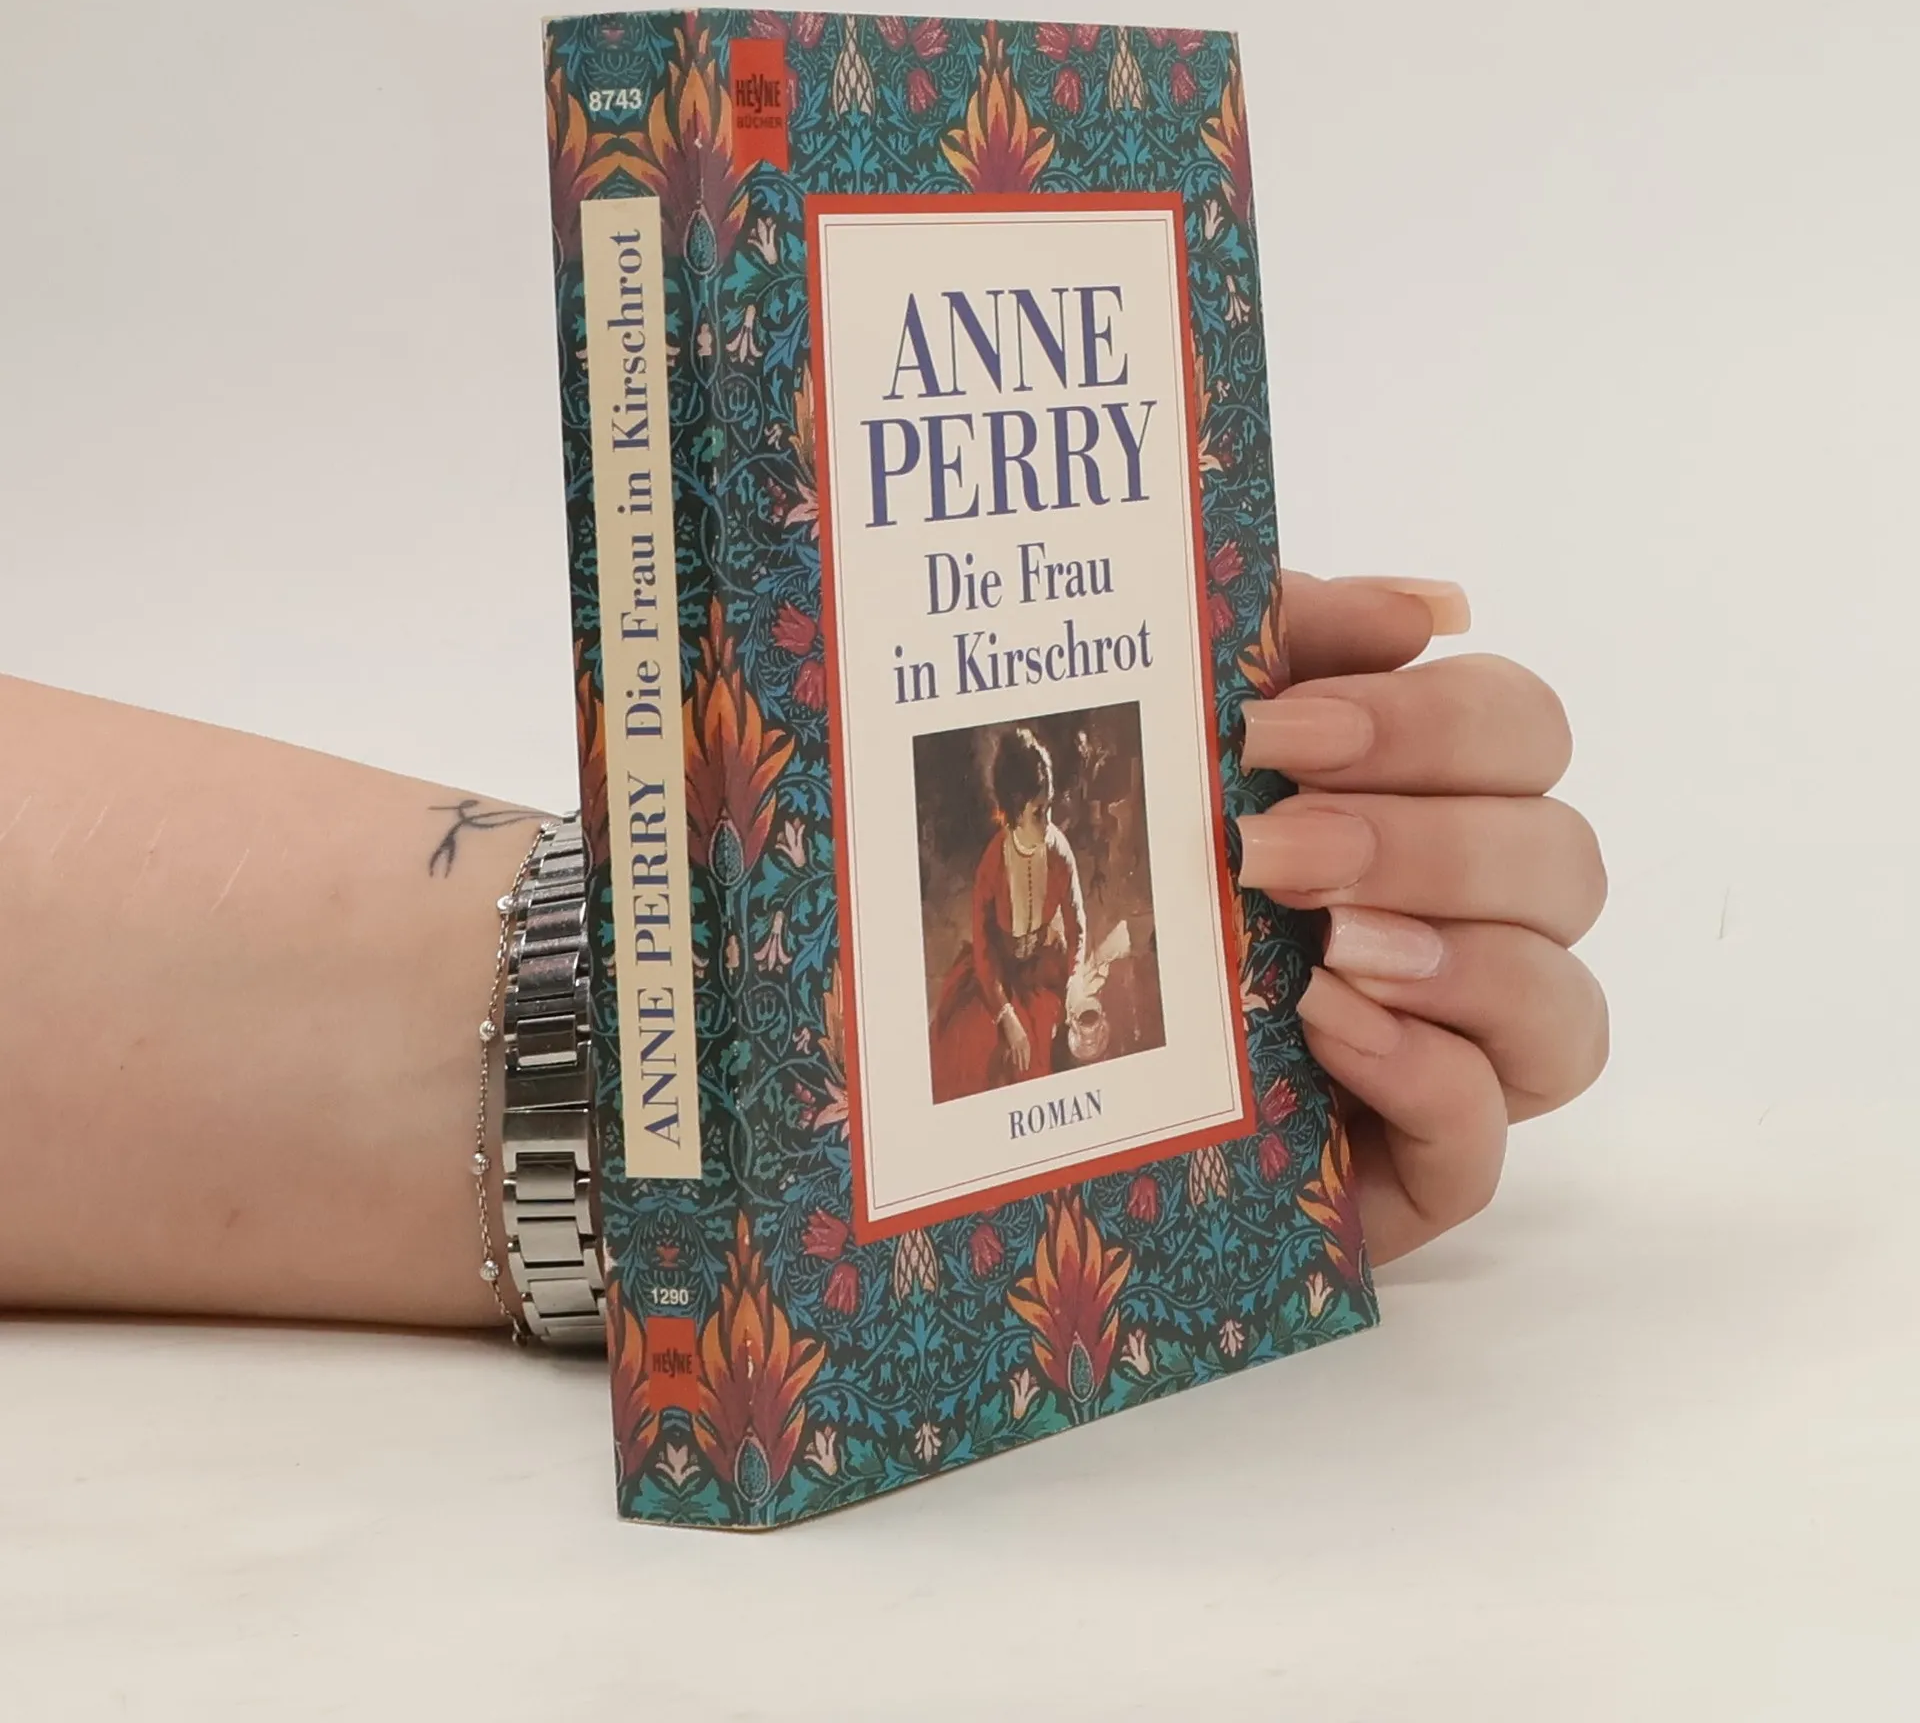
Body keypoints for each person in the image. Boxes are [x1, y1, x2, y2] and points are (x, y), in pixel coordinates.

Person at [0, 572, 1607, 1329]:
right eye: (1029, 803)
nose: (1039, 818)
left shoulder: (1056, 863)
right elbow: (984, 961)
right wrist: (703, 1102)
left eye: (1048, 803)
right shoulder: (995, 883)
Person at [927, 725, 1086, 1102]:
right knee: (970, 1057)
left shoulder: (1059, 853)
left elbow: (1077, 926)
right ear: (1014, 812)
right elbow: (984, 952)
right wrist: (1007, 1016)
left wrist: (1075, 980)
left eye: (1049, 807)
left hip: (1042, 970)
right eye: (1038, 812)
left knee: (1039, 1057)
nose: (1048, 822)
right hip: (995, 977)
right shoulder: (991, 865)